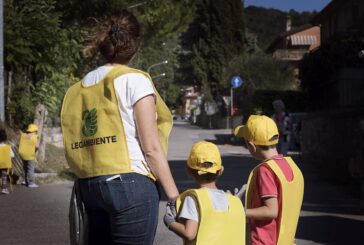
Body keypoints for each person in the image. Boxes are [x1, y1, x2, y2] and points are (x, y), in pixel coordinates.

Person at [61, 10, 179, 245]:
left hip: (89, 186)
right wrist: (174, 195)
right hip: (130, 185)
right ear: (135, 45)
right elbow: (151, 148)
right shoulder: (135, 80)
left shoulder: (77, 88)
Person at [234, 115, 304, 245]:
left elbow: (271, 211)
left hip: (264, 241)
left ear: (252, 146)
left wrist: (238, 211)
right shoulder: (291, 166)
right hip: (284, 240)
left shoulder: (265, 170)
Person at [163, 141, 246, 244]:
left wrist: (169, 222)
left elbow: (189, 233)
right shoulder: (233, 200)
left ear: (189, 172)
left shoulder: (193, 199)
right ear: (221, 171)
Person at [18, 123, 39, 188]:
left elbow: (19, 143)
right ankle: (30, 183)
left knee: (25, 168)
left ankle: (24, 180)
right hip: (30, 155)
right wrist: (35, 151)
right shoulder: (35, 137)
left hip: (22, 154)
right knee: (30, 169)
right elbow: (37, 146)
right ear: (34, 131)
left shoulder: (23, 135)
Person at [0, 129, 14, 194]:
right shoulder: (8, 147)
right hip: (4, 165)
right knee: (4, 177)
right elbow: (12, 155)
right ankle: (4, 189)